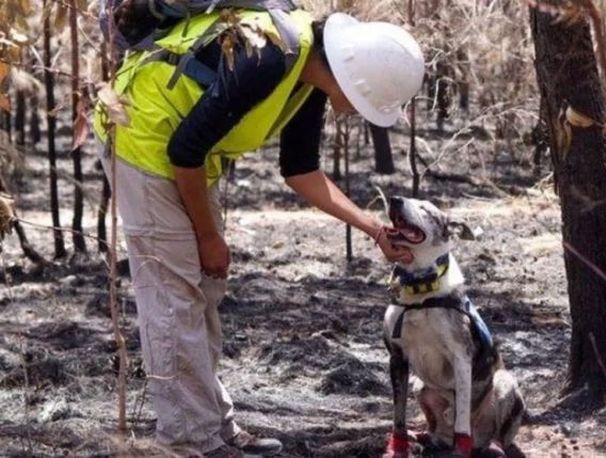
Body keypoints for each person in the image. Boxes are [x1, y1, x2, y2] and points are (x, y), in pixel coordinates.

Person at [93, 4, 424, 457]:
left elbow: (301, 170)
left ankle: (213, 426)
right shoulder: (269, 57)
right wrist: (209, 238)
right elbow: (183, 152)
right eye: (369, 103)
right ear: (354, 80)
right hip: (142, 138)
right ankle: (190, 441)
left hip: (184, 153)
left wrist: (373, 228)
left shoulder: (310, 71)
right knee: (174, 298)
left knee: (203, 291)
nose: (359, 114)